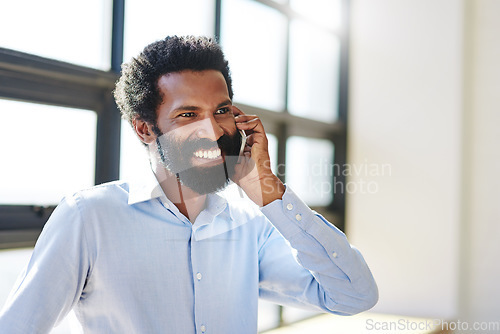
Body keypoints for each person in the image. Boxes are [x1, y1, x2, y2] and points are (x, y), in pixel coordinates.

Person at [0, 36, 378, 333]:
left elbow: (354, 295)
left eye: (222, 111)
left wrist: (268, 191)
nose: (213, 132)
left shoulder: (252, 226)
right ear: (145, 129)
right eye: (188, 114)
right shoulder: (88, 218)